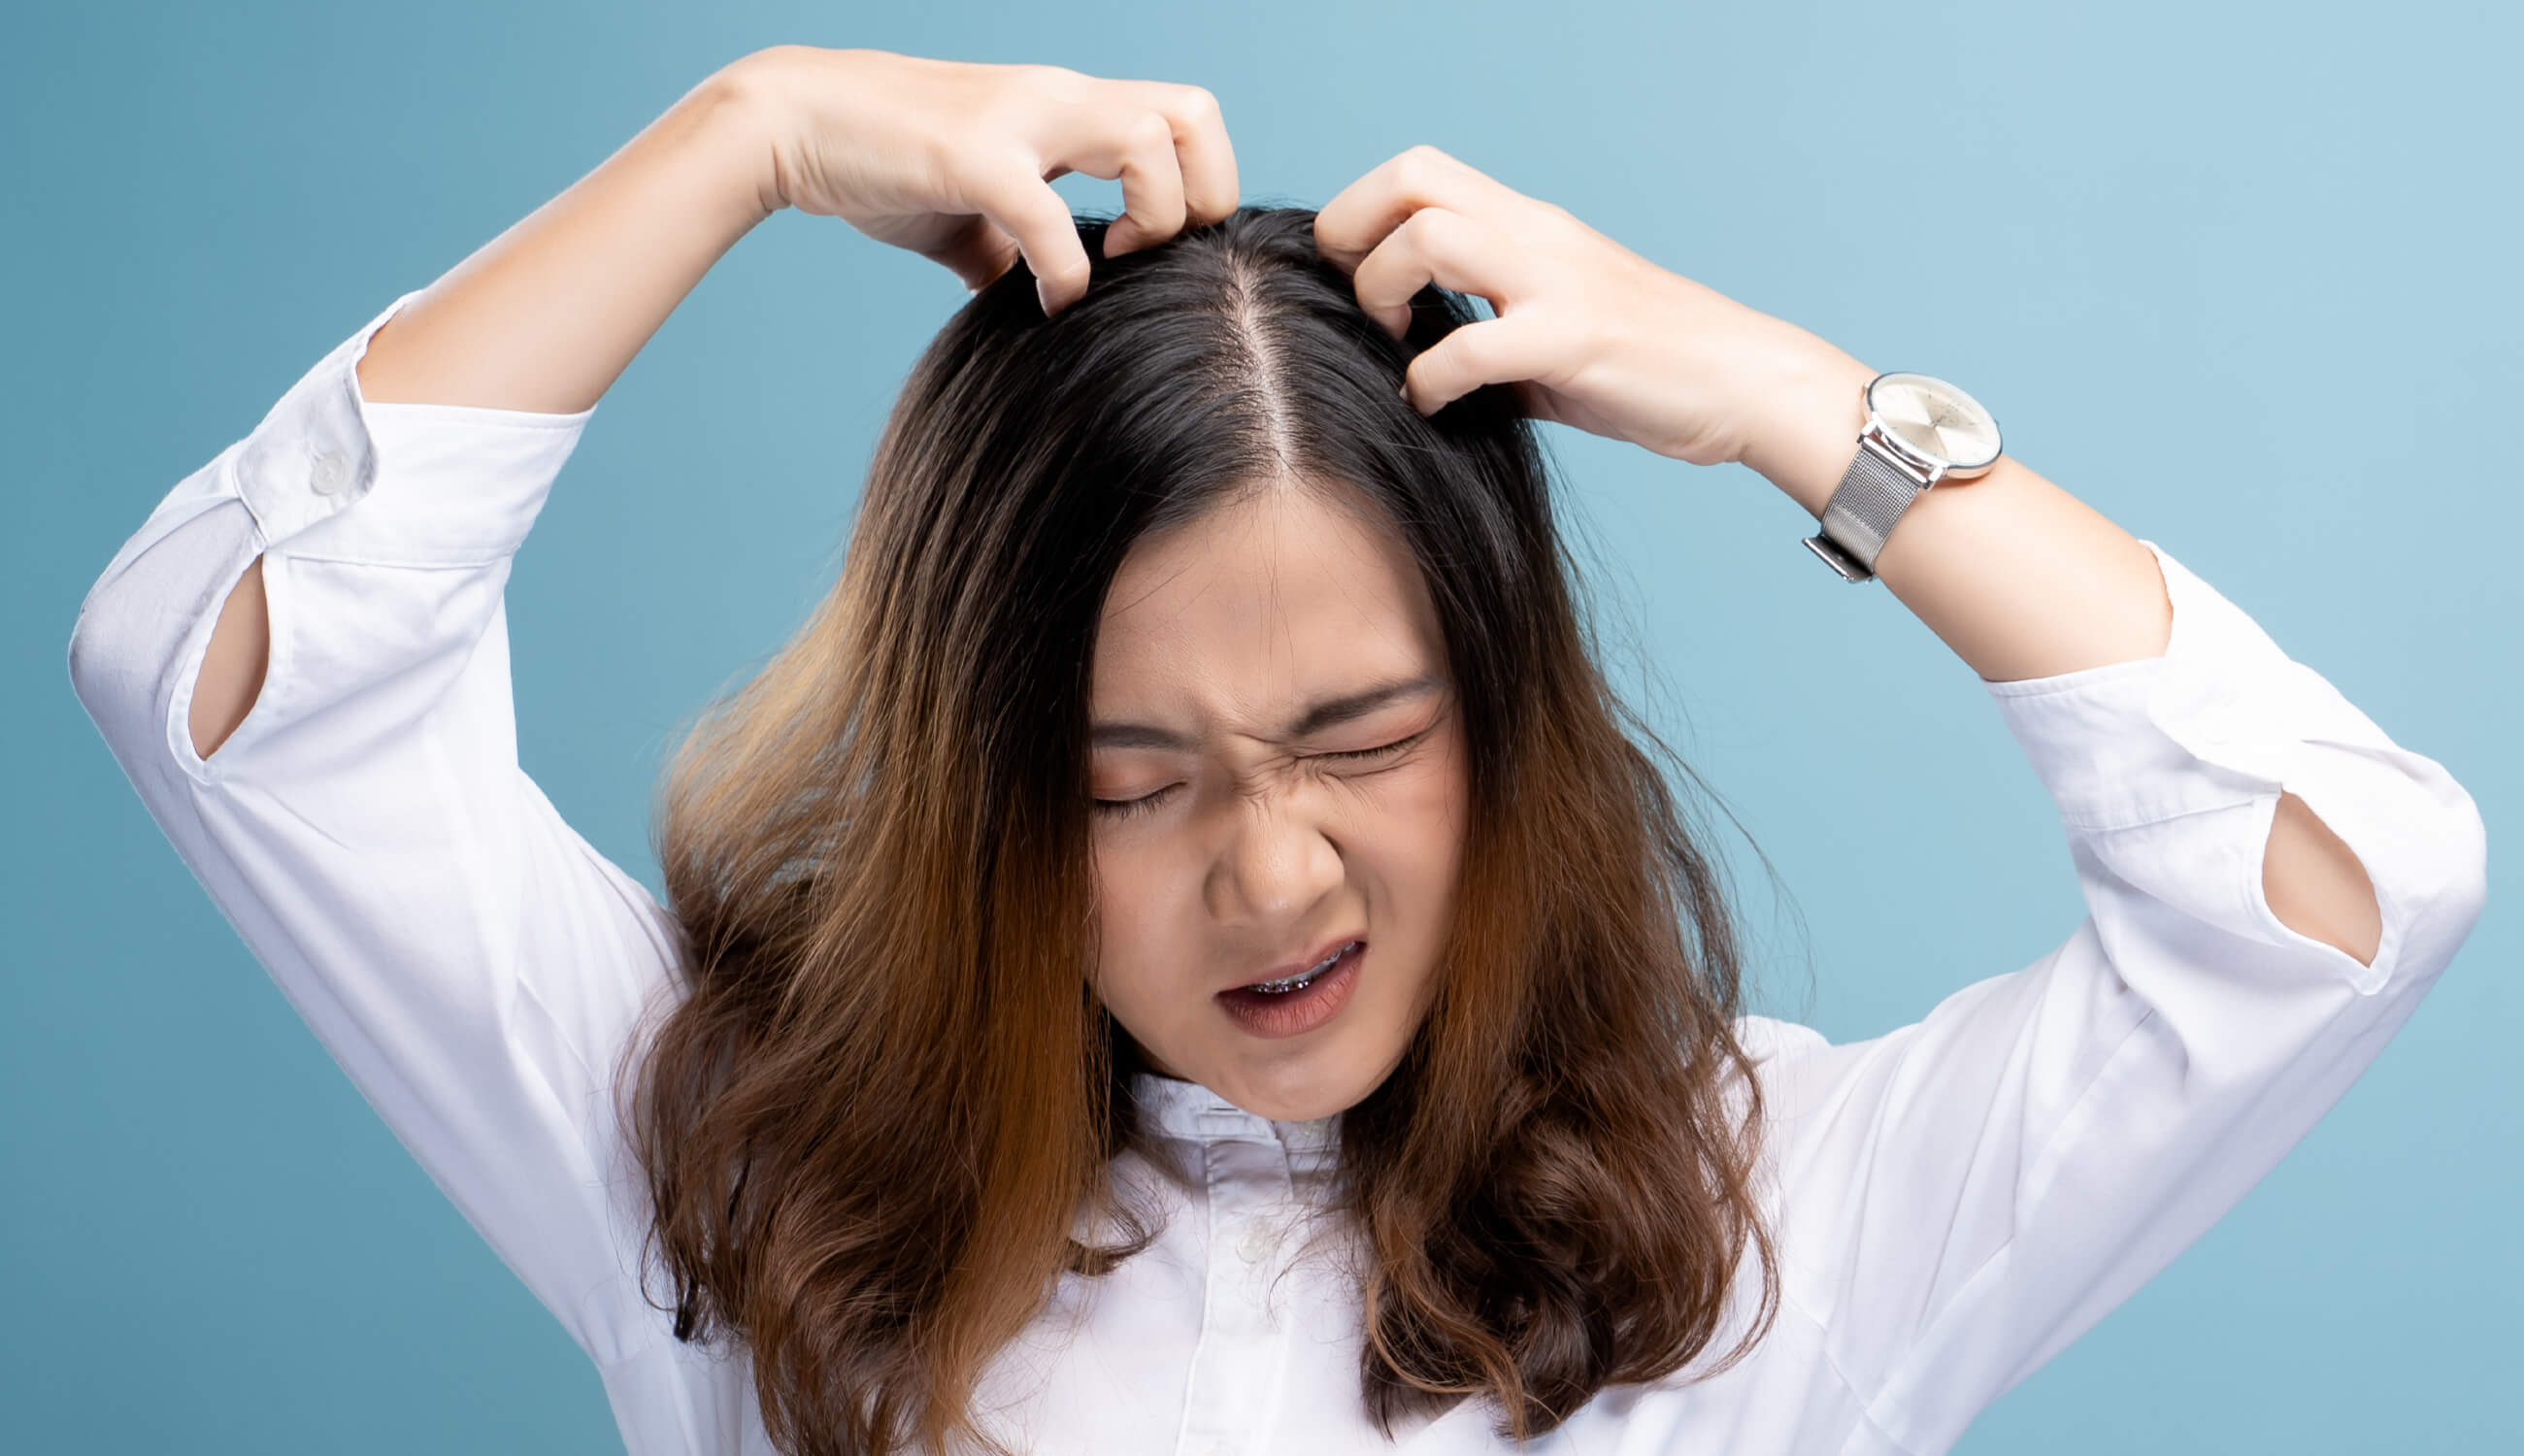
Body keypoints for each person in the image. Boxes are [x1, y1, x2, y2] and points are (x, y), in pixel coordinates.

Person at [66, 42, 2486, 1456]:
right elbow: (222, 682)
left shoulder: (1772, 1222)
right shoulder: (739, 1179)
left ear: (1505, 715)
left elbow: (2339, 895)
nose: (1273, 881)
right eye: (1135, 781)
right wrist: (748, 134)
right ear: (988, 791)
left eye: (1362, 737)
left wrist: (1791, 404)